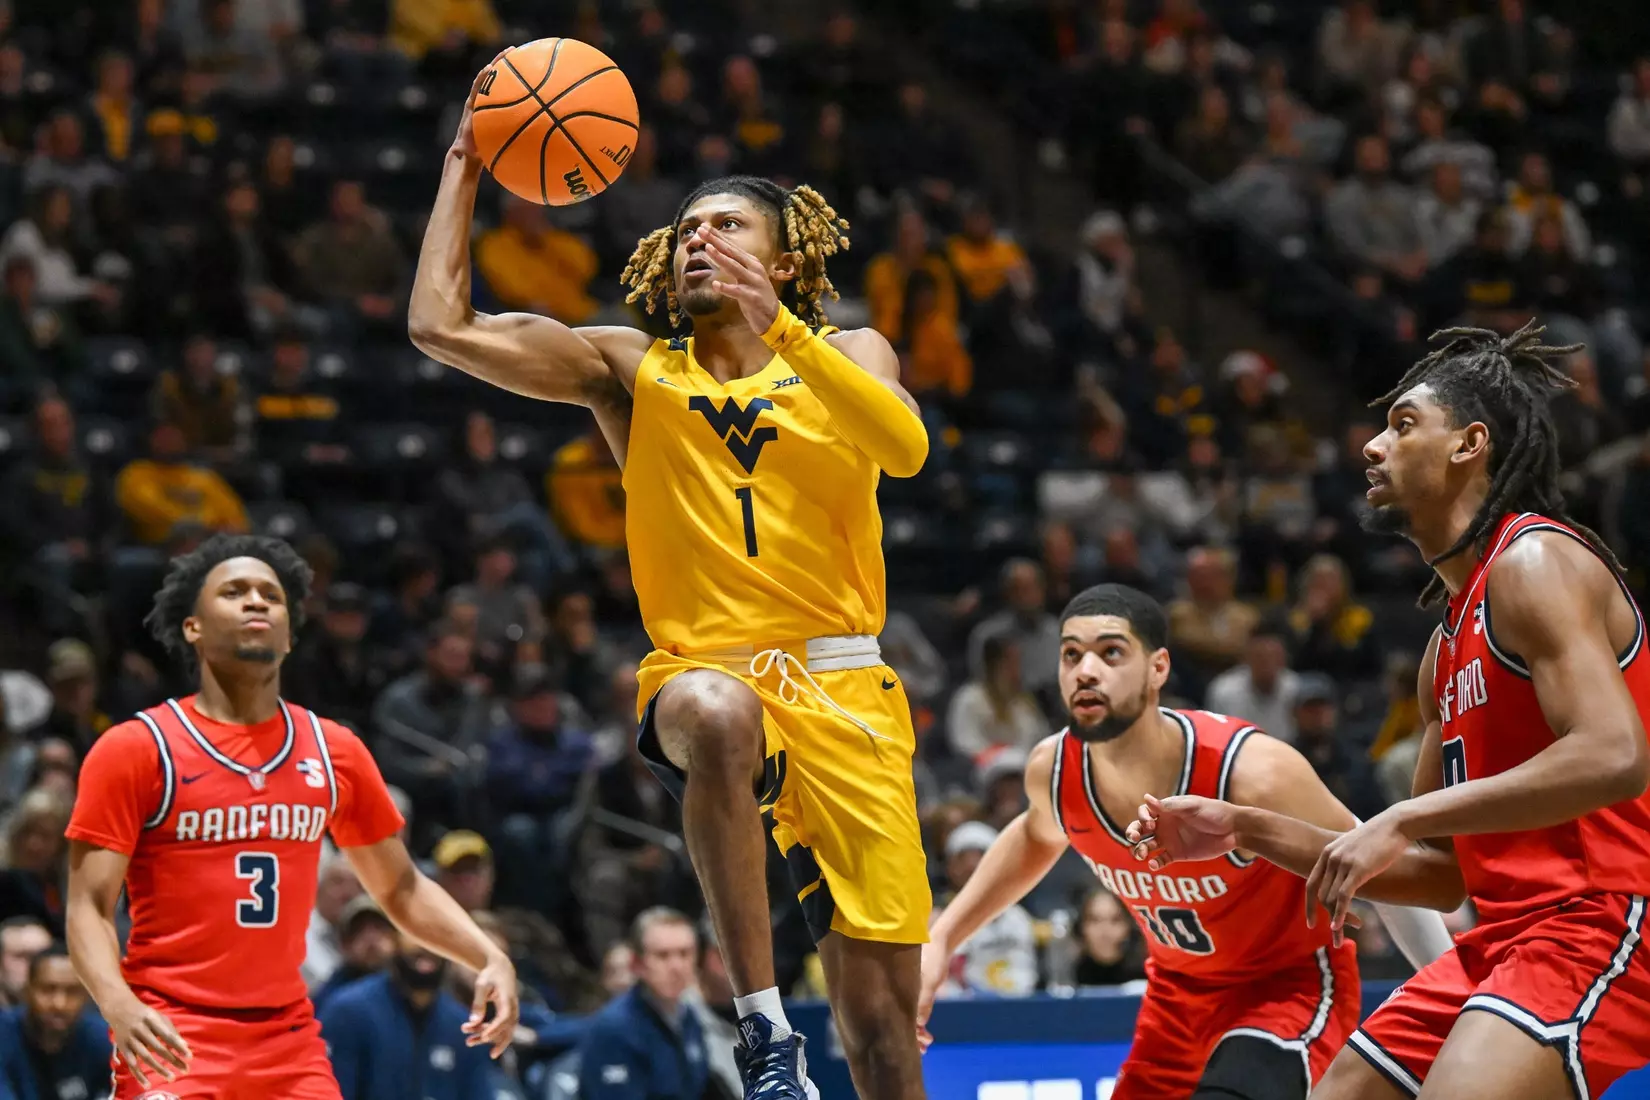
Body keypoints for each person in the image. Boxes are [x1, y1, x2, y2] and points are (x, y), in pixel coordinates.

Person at [410, 58, 931, 1100]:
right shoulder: (633, 369)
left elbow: (905, 448)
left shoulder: (850, 351)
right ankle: (764, 1030)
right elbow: (441, 328)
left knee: (882, 1039)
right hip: (706, 669)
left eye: (729, 227)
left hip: (849, 691)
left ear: (785, 261)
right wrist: (467, 164)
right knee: (717, 707)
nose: (700, 237)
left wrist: (783, 330)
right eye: (689, 228)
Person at [1129, 323, 1650, 1100]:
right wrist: (1244, 829)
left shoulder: (1536, 562)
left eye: (1402, 425)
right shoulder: (1444, 651)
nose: (1372, 446)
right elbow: (1438, 877)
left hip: (1606, 916)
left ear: (1470, 444)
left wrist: (1402, 817)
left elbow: (1616, 755)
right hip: (1504, 936)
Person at [918, 584, 1453, 1099]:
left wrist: (1451, 988)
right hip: (1174, 1000)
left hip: (1286, 990)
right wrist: (942, 938)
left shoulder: (1252, 772)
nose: (1085, 670)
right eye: (1071, 654)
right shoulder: (1054, 772)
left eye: (1110, 653)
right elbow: (1036, 834)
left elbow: (1374, 859)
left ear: (1158, 669)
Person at [63, 533, 519, 1099]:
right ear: (193, 626)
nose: (256, 601)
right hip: (171, 1031)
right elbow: (88, 906)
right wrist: (117, 1003)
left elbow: (400, 887)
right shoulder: (136, 747)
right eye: (234, 591)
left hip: (287, 1038)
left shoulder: (335, 750)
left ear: (290, 630)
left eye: (270, 595)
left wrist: (486, 954)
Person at [318, 929, 501, 1100]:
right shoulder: (348, 1011)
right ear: (393, 940)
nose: (426, 944)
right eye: (415, 932)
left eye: (436, 935)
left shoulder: (463, 1025)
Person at [577, 907, 710, 1100]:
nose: (677, 967)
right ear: (636, 964)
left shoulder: (688, 1016)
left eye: (684, 953)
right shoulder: (615, 1028)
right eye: (662, 955)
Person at [0, 944, 113, 1100]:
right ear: (28, 990)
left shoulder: (103, 1038)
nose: (59, 1004)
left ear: (87, 996)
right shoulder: (4, 1036)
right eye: (47, 989)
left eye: (72, 991)